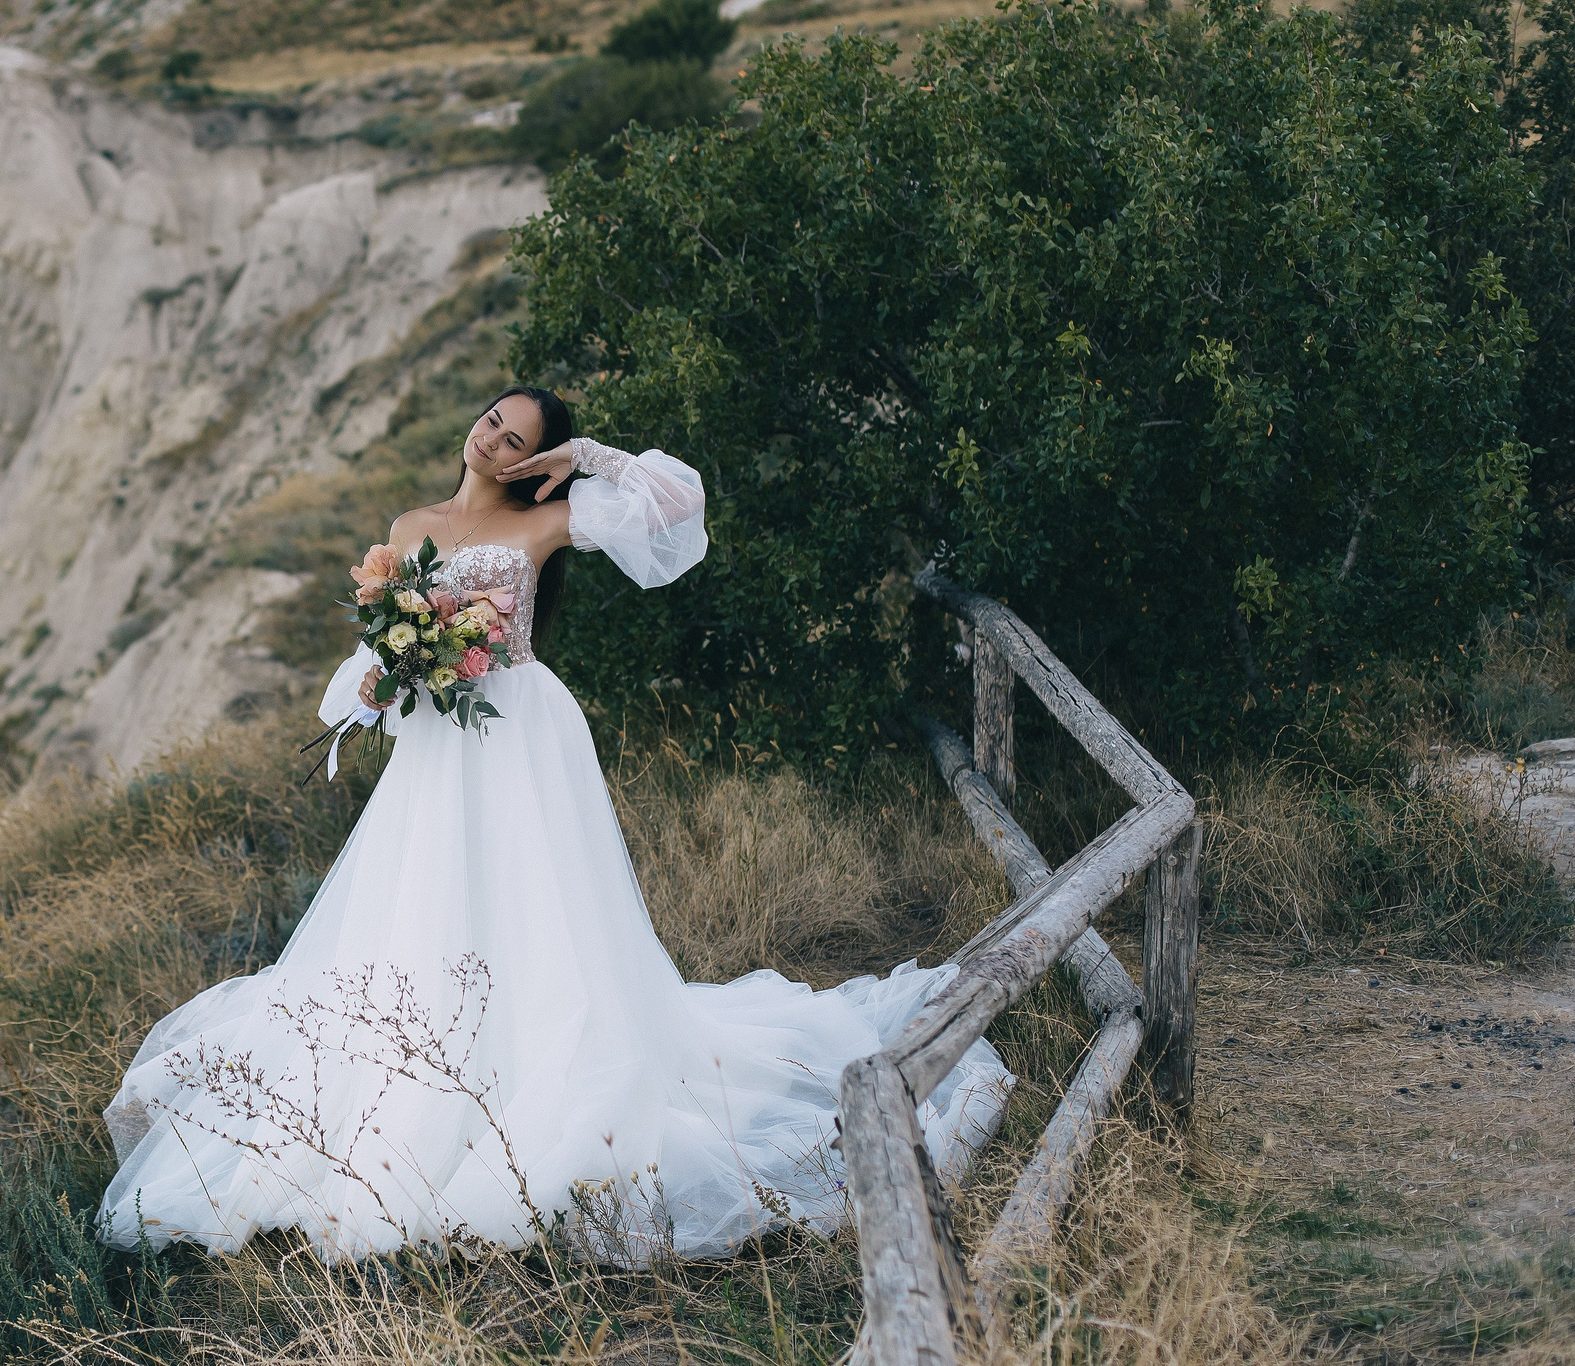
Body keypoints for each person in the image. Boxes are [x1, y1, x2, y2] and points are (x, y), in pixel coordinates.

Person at [97, 386, 1011, 1263]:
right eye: (493, 424)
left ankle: (539, 1064)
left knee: (536, 903)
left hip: (522, 734)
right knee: (425, 906)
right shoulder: (411, 528)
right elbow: (381, 640)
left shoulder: (546, 520)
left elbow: (675, 506)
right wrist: (383, 675)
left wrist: (586, 458)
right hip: (437, 749)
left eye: (517, 439)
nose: (495, 443)